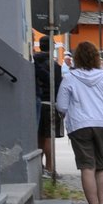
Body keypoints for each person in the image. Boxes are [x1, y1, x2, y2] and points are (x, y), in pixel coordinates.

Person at [55, 41, 103, 204]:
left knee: (87, 167)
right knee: (101, 165)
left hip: (80, 125)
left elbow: (61, 105)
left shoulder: (70, 78)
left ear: (77, 58)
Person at [33, 36, 62, 180]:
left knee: (39, 136)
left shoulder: (33, 60)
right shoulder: (54, 65)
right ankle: (50, 168)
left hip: (37, 101)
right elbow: (57, 86)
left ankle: (39, 166)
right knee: (49, 137)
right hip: (49, 103)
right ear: (52, 47)